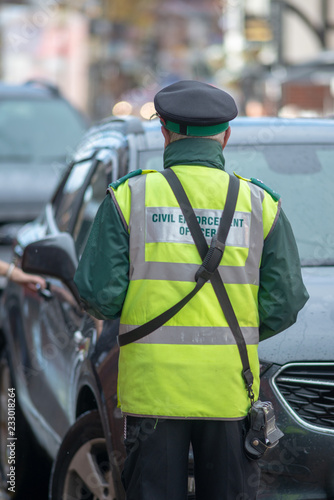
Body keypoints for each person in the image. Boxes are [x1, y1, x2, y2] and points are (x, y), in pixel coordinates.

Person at [74, 80, 309, 500]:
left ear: (164, 131)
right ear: (226, 136)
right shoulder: (260, 204)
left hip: (153, 392)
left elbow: (99, 295)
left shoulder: (130, 197)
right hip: (228, 391)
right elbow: (286, 301)